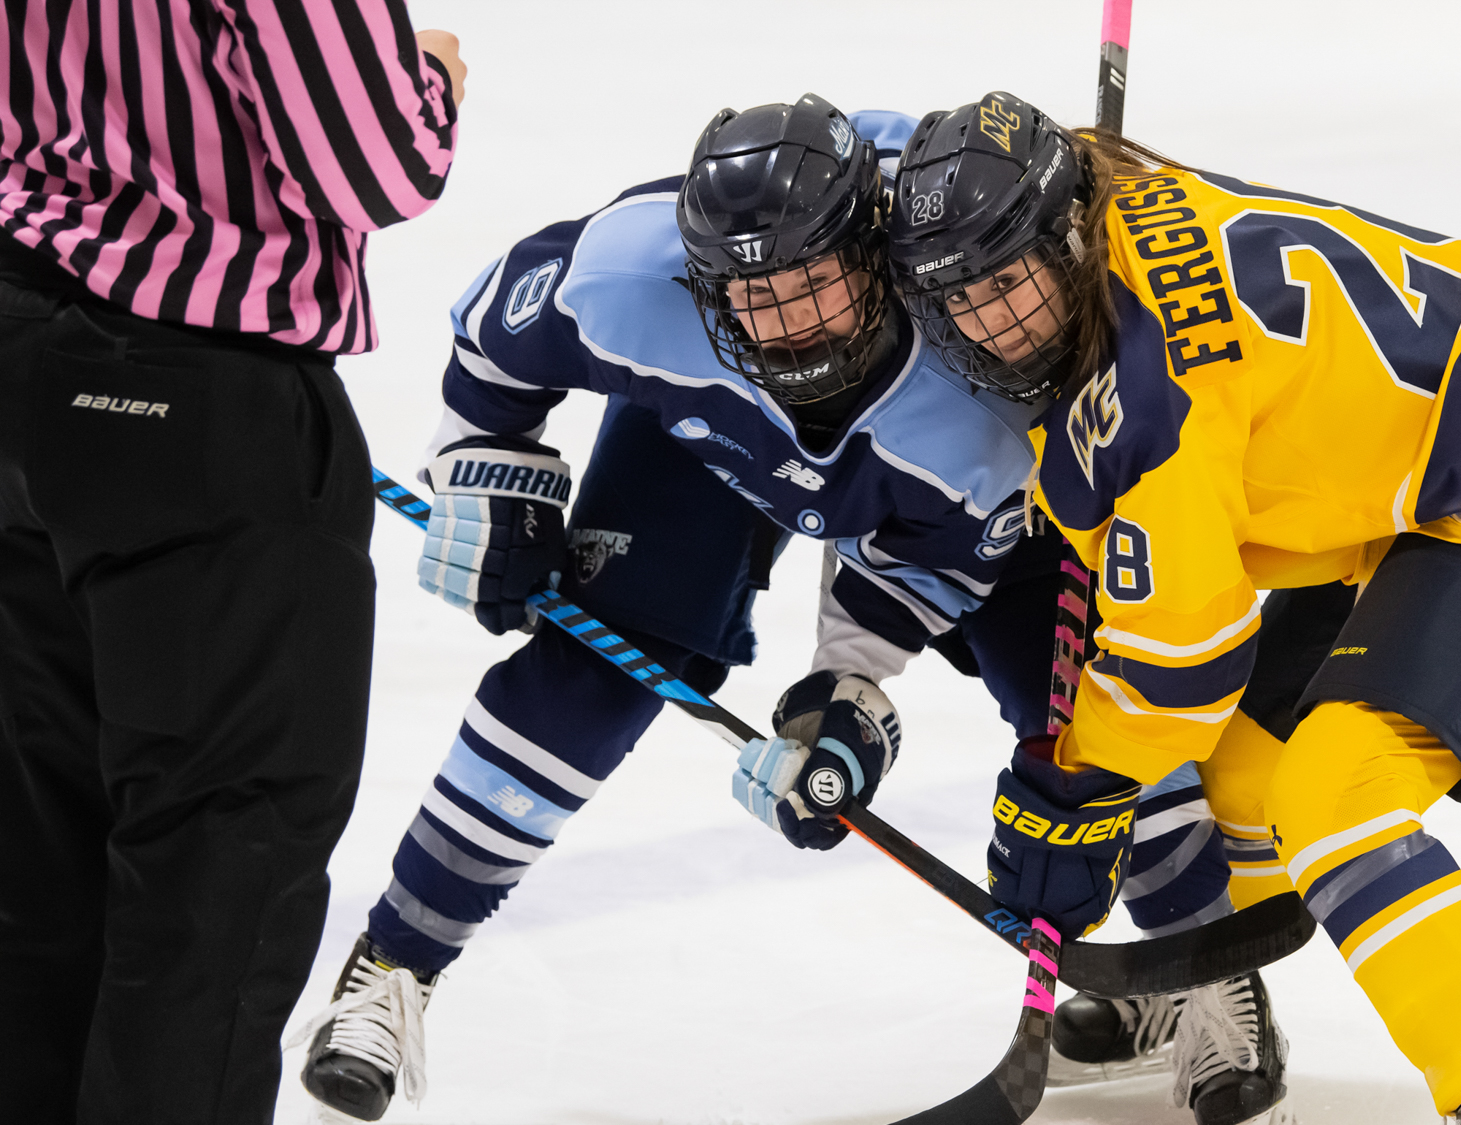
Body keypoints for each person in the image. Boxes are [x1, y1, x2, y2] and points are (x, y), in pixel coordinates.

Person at [289, 94, 1254, 1120]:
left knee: (1085, 718)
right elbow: (495, 342)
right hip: (712, 440)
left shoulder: (978, 408)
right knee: (598, 660)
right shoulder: (629, 277)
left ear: (871, 259)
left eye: (811, 285)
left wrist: (843, 699)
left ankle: (1209, 979)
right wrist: (483, 470)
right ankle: (392, 966)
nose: (787, 322)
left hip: (963, 507)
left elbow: (918, 570)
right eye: (751, 292)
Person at [884, 92, 1461, 1125]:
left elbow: (1184, 660)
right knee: (1240, 780)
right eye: (958, 298)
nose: (989, 322)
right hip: (1429, 486)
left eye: (1006, 281)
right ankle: (1181, 976)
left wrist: (1075, 785)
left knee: (1335, 795)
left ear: (1066, 231)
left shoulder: (1149, 388)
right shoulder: (1094, 183)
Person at [0, 5, 465, 1123]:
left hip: (16, 360)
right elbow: (370, 165)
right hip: (198, 401)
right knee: (214, 880)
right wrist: (430, 81)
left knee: (36, 872)